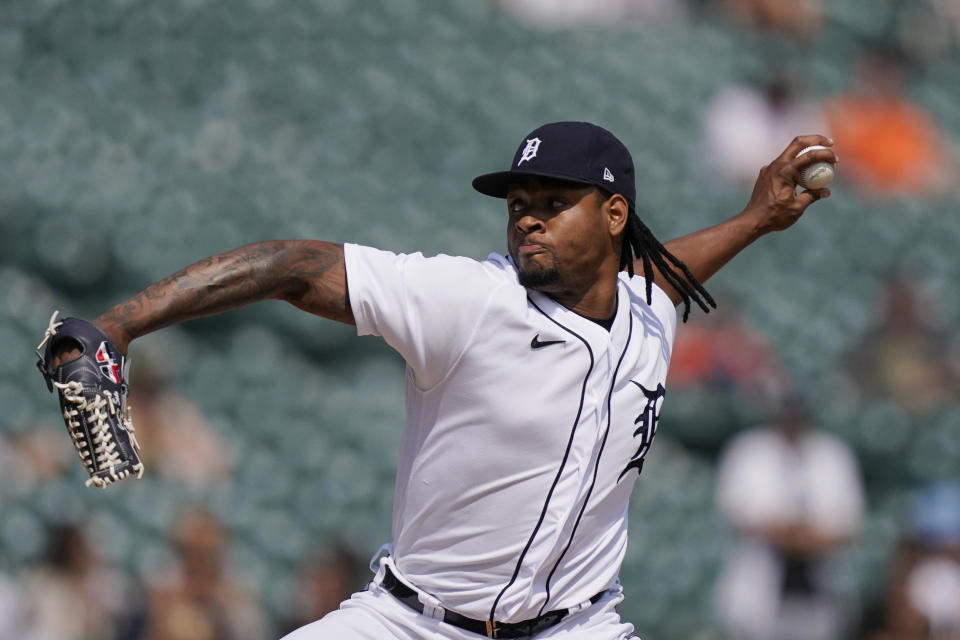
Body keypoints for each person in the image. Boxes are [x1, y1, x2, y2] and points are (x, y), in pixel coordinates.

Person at [50, 121, 836, 639]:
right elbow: (293, 268)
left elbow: (665, 273)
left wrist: (757, 218)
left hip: (578, 627)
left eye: (553, 203)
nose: (525, 217)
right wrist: (119, 326)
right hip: (412, 624)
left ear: (614, 214)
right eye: (518, 203)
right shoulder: (469, 299)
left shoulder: (648, 307)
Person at [713, 392, 865, 640]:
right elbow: (738, 517)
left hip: (820, 590)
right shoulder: (748, 450)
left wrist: (802, 536)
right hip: (758, 588)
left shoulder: (834, 454)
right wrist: (793, 534)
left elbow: (849, 527)